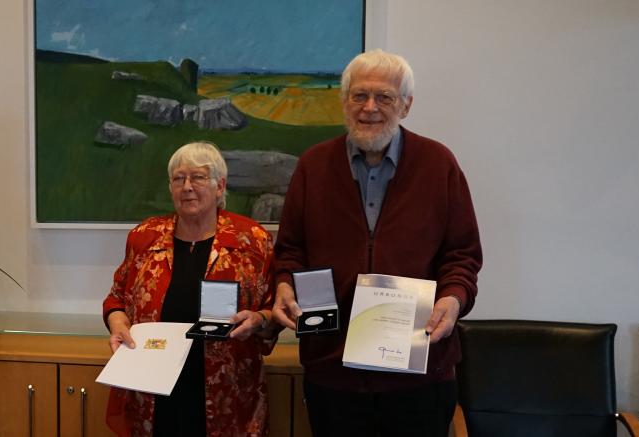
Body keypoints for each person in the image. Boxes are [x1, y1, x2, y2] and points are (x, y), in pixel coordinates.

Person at [270, 49, 482, 437]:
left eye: (384, 97)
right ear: (344, 101)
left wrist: (452, 299)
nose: (370, 108)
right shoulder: (313, 166)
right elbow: (290, 250)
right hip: (333, 373)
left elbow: (462, 254)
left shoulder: (439, 164)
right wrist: (284, 283)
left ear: (406, 105)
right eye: (359, 96)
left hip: (419, 374)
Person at [102, 141, 275, 437]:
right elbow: (117, 297)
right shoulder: (144, 237)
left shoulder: (251, 240)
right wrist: (117, 322)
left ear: (220, 187)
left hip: (226, 393)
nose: (187, 187)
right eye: (178, 178)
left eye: (198, 177)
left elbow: (272, 309)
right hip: (153, 389)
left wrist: (259, 320)